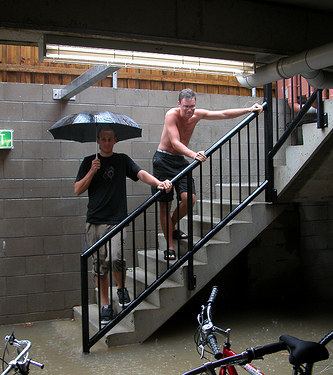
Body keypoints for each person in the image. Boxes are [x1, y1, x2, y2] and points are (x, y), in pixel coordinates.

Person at [152, 88, 263, 260]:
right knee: (165, 204)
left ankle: (171, 227)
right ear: (179, 104)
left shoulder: (197, 114)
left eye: (193, 106)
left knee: (190, 199)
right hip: (163, 160)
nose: (190, 110)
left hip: (180, 160)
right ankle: (169, 245)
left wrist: (249, 110)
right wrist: (193, 155)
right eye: (186, 106)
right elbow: (174, 142)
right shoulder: (171, 115)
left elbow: (224, 114)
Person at [75, 127, 172, 323]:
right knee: (99, 266)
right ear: (98, 141)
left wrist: (158, 182)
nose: (107, 143)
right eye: (103, 139)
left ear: (115, 141)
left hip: (117, 221)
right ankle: (105, 306)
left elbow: (140, 173)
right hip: (94, 221)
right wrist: (93, 171)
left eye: (110, 139)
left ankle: (121, 288)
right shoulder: (88, 162)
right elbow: (78, 189)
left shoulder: (122, 160)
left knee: (116, 258)